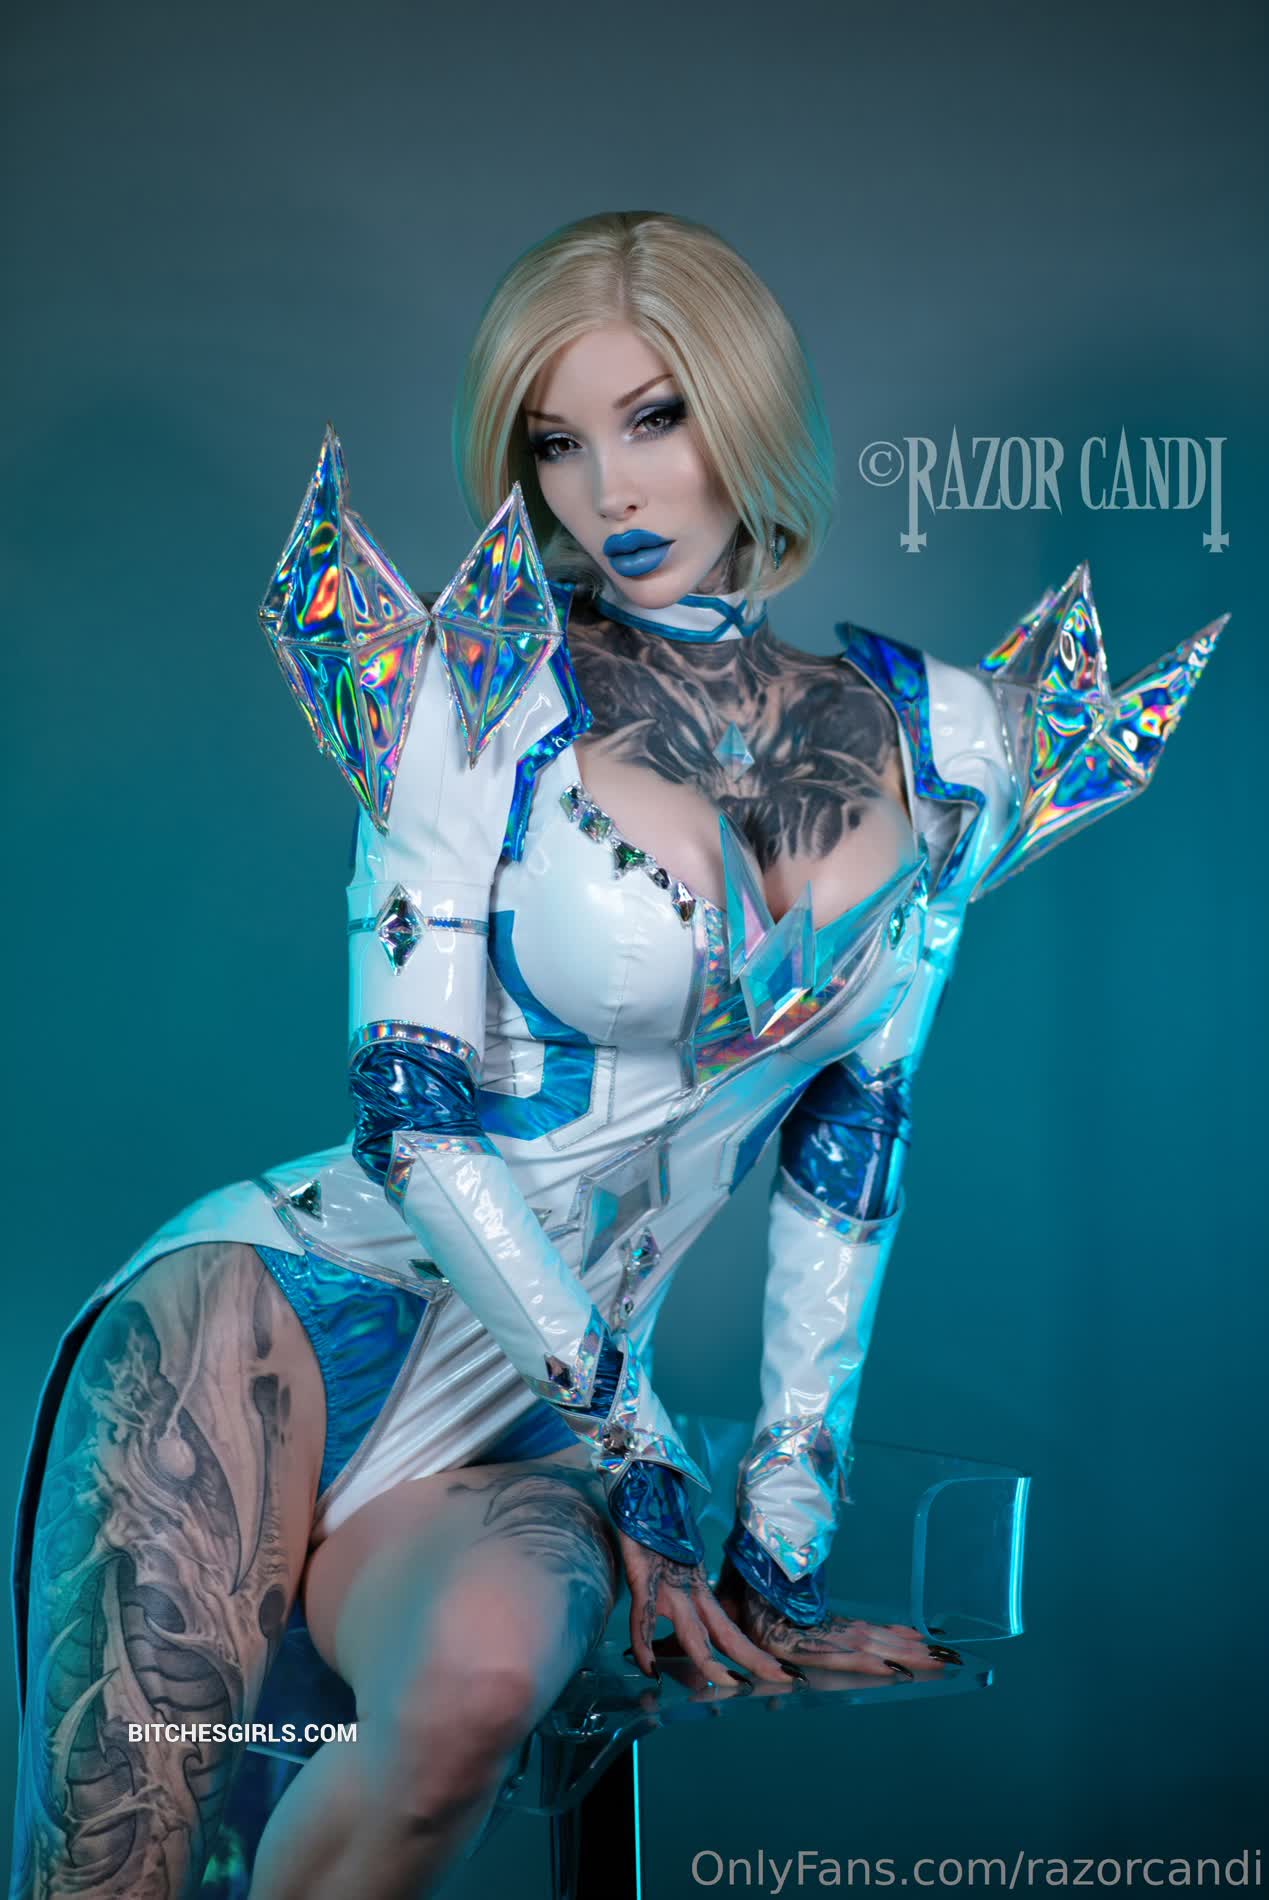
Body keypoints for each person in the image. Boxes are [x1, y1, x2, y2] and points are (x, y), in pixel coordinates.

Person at [8, 210, 1223, 1900]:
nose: (607, 489)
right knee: (116, 1865)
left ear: (747, 409)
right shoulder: (470, 701)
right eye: (555, 443)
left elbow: (853, 1133)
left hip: (522, 1418)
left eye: (653, 418)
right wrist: (643, 1448)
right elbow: (411, 1123)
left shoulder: (948, 743)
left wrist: (778, 1550)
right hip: (273, 1322)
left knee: (468, 1700)